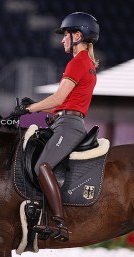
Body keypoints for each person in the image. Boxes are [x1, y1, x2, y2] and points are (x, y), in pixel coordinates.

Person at [14, 12, 100, 241]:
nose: (62, 39)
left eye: (65, 35)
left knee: (42, 165)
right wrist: (35, 106)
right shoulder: (87, 64)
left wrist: (29, 110)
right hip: (64, 120)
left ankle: (59, 222)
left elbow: (59, 98)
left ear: (78, 36)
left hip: (68, 125)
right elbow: (63, 102)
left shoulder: (77, 63)